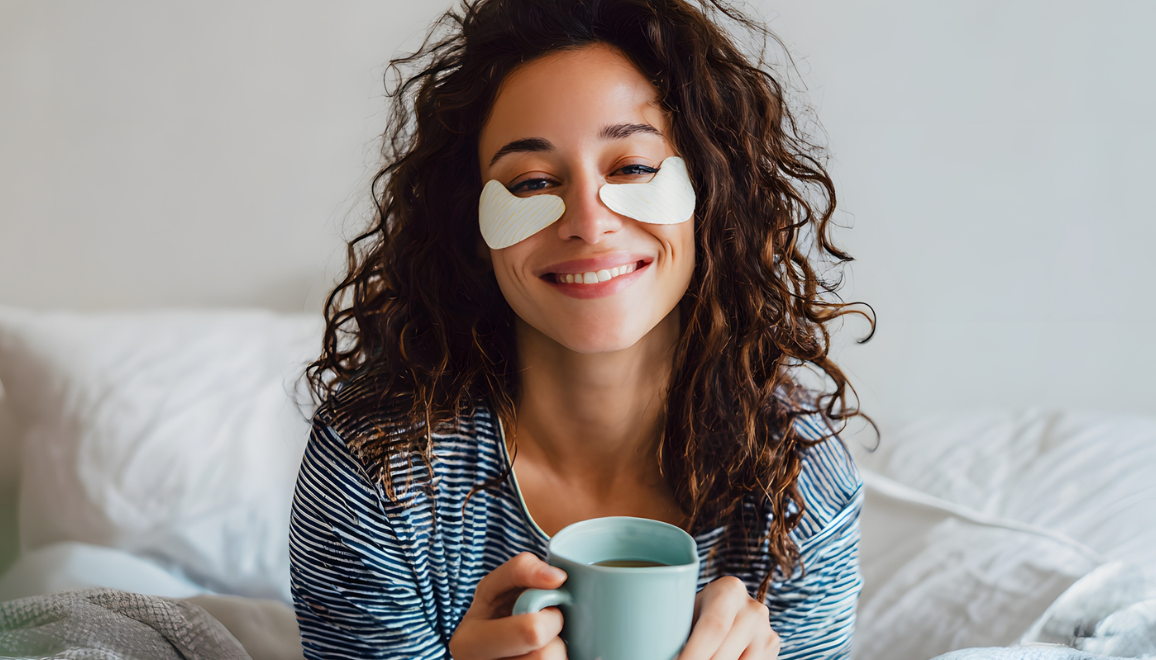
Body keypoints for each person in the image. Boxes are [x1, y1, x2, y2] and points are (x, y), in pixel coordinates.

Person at [290, 0, 875, 658]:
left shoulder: (799, 481)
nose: (588, 224)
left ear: (710, 197)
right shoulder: (378, 469)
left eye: (631, 169)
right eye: (534, 181)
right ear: (472, 228)